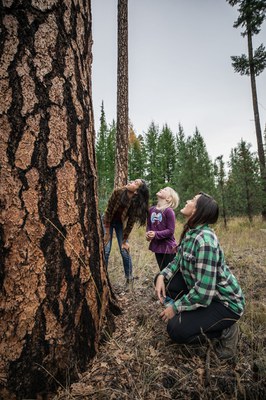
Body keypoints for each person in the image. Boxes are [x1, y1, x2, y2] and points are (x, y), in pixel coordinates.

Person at [155, 192, 245, 361]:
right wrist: (161, 275)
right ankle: (192, 315)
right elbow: (177, 262)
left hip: (225, 303)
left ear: (197, 211)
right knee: (168, 282)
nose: (188, 200)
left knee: (176, 330)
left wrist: (175, 308)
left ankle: (227, 330)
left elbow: (204, 293)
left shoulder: (205, 241)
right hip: (207, 295)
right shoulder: (191, 232)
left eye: (193, 200)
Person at [103, 179, 149, 287]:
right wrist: (107, 234)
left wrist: (124, 240)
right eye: (133, 180)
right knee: (106, 250)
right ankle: (103, 277)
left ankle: (129, 279)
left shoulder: (135, 202)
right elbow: (108, 211)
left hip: (119, 224)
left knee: (124, 250)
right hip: (107, 220)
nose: (131, 181)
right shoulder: (118, 192)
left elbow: (130, 223)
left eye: (135, 183)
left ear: (136, 191)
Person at [146, 187, 179, 271]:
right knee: (162, 270)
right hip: (157, 246)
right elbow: (149, 225)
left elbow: (170, 231)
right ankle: (164, 284)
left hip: (168, 248)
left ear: (169, 198)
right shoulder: (151, 210)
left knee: (170, 272)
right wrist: (148, 234)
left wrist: (156, 234)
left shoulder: (169, 211)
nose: (161, 189)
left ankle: (169, 284)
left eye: (165, 190)